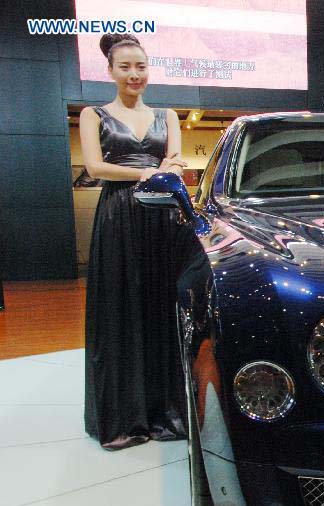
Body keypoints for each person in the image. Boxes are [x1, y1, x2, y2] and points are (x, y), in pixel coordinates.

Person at [81, 33, 189, 450]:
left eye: (140, 66)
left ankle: (165, 415)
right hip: (119, 216)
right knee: (120, 310)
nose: (134, 74)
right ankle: (124, 419)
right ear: (110, 71)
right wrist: (147, 172)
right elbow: (95, 167)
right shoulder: (94, 114)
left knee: (163, 309)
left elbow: (176, 162)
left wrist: (162, 170)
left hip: (163, 217)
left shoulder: (169, 115)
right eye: (125, 67)